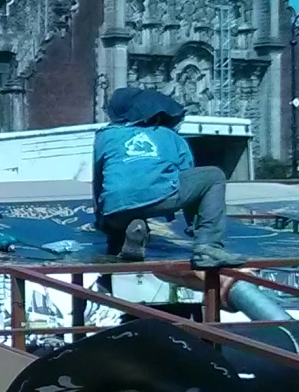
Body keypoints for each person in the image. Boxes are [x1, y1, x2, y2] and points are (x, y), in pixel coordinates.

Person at [93, 87, 235, 268]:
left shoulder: (105, 135)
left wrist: (102, 220)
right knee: (214, 176)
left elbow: (98, 181)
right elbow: (186, 177)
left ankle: (129, 233)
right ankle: (208, 247)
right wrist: (193, 225)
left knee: (124, 207)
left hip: (115, 209)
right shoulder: (170, 136)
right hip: (159, 200)